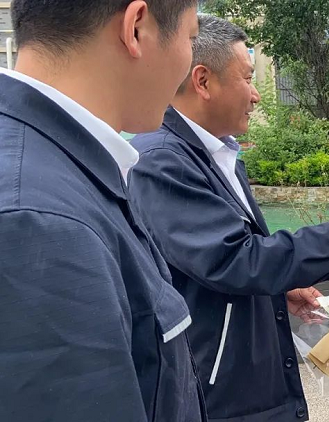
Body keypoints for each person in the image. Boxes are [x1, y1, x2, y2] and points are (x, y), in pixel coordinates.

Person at [127, 15, 329, 422]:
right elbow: (235, 260)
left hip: (246, 377)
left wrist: (279, 290)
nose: (256, 95)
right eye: (247, 78)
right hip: (217, 392)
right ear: (203, 81)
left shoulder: (219, 155)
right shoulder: (162, 162)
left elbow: (231, 258)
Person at [0, 1, 205, 421]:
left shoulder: (60, 166)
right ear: (136, 28)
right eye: (191, 38)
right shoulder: (40, 224)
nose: (188, 63)